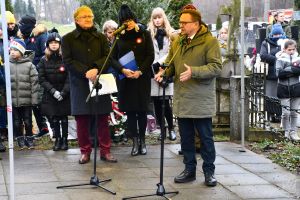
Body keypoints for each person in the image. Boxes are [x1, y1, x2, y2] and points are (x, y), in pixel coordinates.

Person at [155, 4, 222, 187]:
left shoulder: (210, 41)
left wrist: (194, 72)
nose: (181, 25)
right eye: (180, 22)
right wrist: (164, 72)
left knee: (206, 138)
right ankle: (189, 170)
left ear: (196, 23)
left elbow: (216, 67)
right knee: (185, 138)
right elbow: (171, 62)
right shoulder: (178, 40)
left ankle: (209, 172)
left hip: (200, 98)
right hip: (182, 98)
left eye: (185, 23)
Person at [62, 5, 117, 164]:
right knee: (82, 120)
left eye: (90, 17)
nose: (88, 19)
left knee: (102, 118)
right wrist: (86, 72)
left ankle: (105, 151)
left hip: (99, 82)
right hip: (79, 84)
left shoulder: (100, 37)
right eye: (85, 17)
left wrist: (95, 69)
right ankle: (85, 151)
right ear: (76, 20)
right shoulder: (68, 39)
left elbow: (108, 56)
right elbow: (68, 61)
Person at [111, 4, 154, 156]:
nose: (127, 23)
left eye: (129, 19)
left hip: (141, 78)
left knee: (141, 110)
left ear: (134, 19)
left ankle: (142, 141)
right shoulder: (119, 37)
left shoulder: (144, 34)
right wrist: (122, 70)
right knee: (130, 112)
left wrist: (140, 71)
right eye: (124, 20)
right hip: (126, 78)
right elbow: (112, 58)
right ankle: (134, 141)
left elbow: (150, 55)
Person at [38, 31, 71, 151]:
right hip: (51, 94)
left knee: (64, 118)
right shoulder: (43, 60)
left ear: (60, 44)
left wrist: (64, 92)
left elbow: (69, 77)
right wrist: (53, 91)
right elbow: (41, 78)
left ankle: (64, 140)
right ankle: (57, 140)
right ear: (47, 45)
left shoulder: (65, 58)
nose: (54, 45)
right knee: (55, 118)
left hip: (64, 93)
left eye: (56, 43)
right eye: (51, 43)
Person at [147, 7, 176, 141]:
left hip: (166, 70)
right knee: (157, 104)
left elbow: (171, 53)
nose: (157, 20)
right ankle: (162, 130)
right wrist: (153, 67)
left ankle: (171, 128)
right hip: (153, 72)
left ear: (163, 18)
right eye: (155, 18)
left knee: (165, 102)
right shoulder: (149, 34)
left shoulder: (171, 33)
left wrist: (160, 65)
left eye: (159, 17)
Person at [19, 15, 50, 138]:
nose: (20, 28)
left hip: (39, 74)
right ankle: (42, 127)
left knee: (40, 101)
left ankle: (49, 126)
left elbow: (45, 54)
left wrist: (35, 67)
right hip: (27, 76)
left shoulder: (41, 36)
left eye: (22, 25)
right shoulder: (24, 38)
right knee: (34, 103)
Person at [9, 39, 39, 149]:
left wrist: (34, 99)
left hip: (26, 100)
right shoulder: (7, 65)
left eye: (15, 50)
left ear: (21, 52)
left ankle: (30, 138)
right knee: (16, 122)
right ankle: (19, 138)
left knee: (27, 121)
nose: (12, 52)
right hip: (13, 100)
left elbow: (34, 84)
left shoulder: (29, 65)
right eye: (11, 50)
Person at [275, 39, 300, 141]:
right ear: (285, 49)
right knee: (286, 113)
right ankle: (286, 131)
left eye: (293, 49)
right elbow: (279, 74)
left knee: (294, 112)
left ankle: (293, 132)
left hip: (296, 87)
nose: (291, 51)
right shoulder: (280, 59)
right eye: (289, 49)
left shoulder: (298, 59)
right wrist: (293, 70)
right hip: (283, 87)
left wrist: (288, 71)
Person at [260, 24, 285, 122]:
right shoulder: (266, 43)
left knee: (280, 95)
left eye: (279, 34)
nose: (277, 36)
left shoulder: (285, 42)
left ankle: (279, 115)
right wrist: (277, 58)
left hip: (282, 74)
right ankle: (270, 114)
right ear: (272, 34)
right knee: (270, 95)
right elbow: (263, 55)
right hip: (270, 74)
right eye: (276, 34)